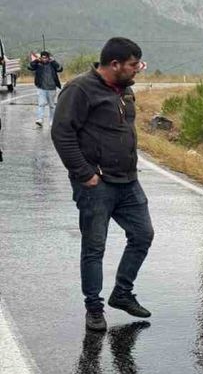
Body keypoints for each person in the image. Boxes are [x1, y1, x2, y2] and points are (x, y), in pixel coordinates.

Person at [52, 38, 152, 332]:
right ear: (115, 65)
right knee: (94, 248)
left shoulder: (125, 89)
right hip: (97, 184)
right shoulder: (80, 89)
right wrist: (85, 173)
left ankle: (122, 293)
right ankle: (94, 308)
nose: (138, 70)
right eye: (134, 65)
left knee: (142, 235)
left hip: (128, 182)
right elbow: (62, 133)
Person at [28, 50, 63, 128]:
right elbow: (29, 67)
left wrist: (54, 62)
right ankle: (39, 119)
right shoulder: (38, 64)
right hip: (41, 88)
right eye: (43, 57)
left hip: (52, 88)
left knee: (52, 106)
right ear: (41, 57)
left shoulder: (53, 64)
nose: (44, 59)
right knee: (41, 104)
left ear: (48, 58)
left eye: (46, 58)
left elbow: (60, 69)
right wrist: (36, 61)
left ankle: (52, 121)